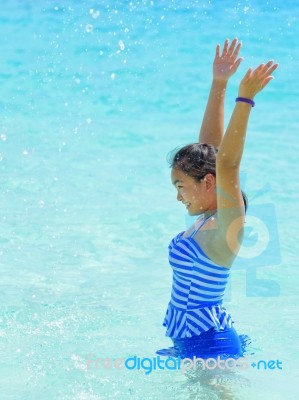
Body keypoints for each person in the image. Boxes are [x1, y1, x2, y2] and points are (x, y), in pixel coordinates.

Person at [156, 39, 278, 361]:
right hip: (190, 343)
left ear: (208, 183)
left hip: (213, 348)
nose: (178, 196)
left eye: (181, 186)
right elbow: (210, 151)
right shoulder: (203, 221)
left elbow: (226, 163)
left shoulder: (227, 226)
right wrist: (219, 83)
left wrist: (245, 99)